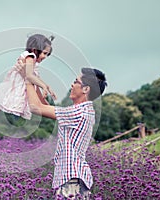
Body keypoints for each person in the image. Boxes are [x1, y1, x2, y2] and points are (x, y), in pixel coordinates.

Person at [23, 66, 107, 199]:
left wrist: (28, 79)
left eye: (76, 81)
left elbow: (36, 107)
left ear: (86, 89)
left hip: (72, 179)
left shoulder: (79, 112)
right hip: (73, 177)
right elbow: (44, 107)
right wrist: (36, 82)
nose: (72, 85)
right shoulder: (82, 110)